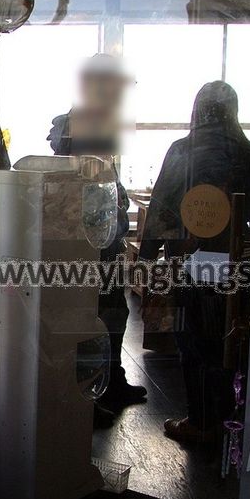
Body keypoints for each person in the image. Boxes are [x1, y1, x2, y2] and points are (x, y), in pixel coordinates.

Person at [138, 81, 250, 444]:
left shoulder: (182, 152)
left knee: (193, 343)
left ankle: (201, 422)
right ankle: (230, 421)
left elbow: (160, 208)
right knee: (230, 342)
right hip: (236, 265)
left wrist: (145, 260)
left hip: (189, 265)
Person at [48, 54, 148, 413]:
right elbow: (89, 187)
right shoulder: (84, 122)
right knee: (96, 315)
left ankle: (107, 383)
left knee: (109, 313)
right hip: (88, 240)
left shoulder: (88, 120)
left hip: (93, 239)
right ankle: (92, 393)